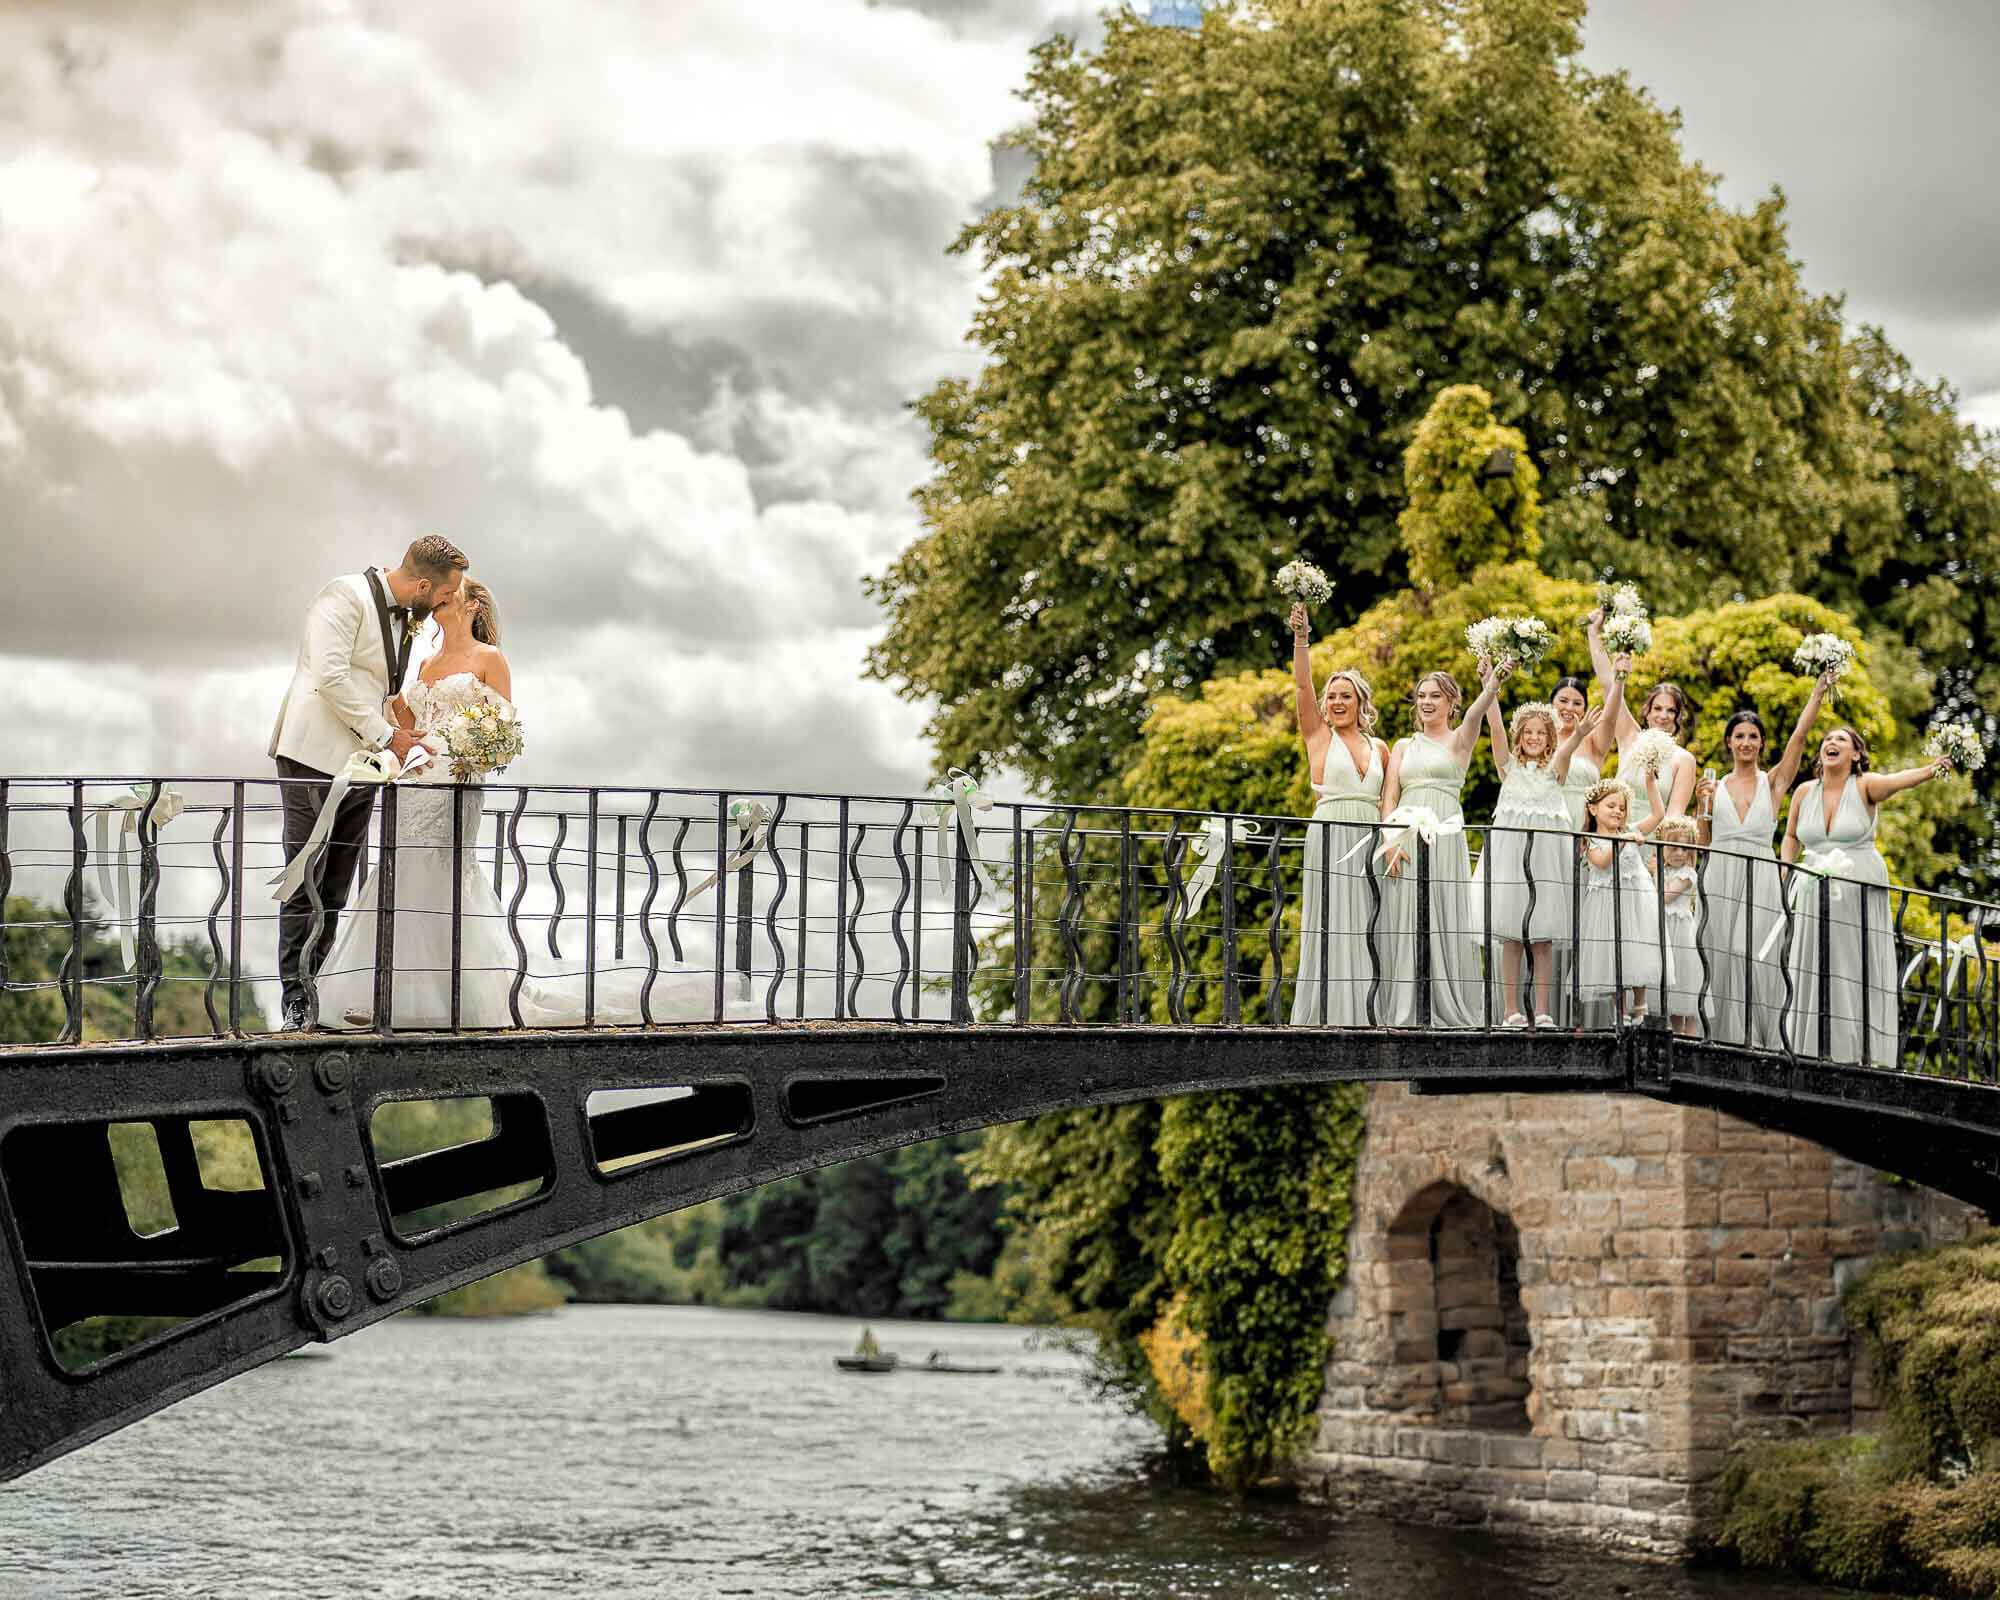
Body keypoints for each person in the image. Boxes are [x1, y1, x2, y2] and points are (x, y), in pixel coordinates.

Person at [313, 580, 733, 1029]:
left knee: (442, 872)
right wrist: (384, 705)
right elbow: (410, 724)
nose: (438, 600)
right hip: (414, 782)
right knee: (401, 872)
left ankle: (457, 994)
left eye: (448, 595)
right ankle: (388, 994)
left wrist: (471, 748)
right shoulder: (426, 661)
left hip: (457, 781)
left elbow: (502, 730)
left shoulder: (489, 659)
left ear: (472, 604)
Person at [269, 535, 467, 1030]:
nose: (444, 604)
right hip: (312, 758)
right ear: (423, 584)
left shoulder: (408, 617)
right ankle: (295, 1002)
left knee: (335, 885)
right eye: (443, 595)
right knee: (305, 878)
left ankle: (319, 997)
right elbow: (331, 676)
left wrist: (407, 742)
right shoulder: (342, 595)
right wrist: (389, 737)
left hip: (364, 766)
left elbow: (380, 690)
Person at [1780, 727, 1945, 1066]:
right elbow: (1791, 836)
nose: (1831, 742)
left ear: (1856, 754)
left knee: (1852, 966)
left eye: (1841, 740)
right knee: (1814, 964)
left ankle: (1857, 1053)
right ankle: (1809, 1048)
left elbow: (1902, 779)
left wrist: (1934, 768)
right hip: (1813, 890)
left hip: (1858, 891)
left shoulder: (1865, 785)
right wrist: (1784, 871)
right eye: (1827, 739)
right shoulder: (1803, 792)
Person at [1692, 674, 1837, 1048]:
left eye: (1753, 736)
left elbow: (1799, 740)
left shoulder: (1772, 783)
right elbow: (1703, 842)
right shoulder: (1714, 786)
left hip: (1759, 873)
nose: (1745, 742)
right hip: (1720, 872)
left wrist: (1817, 694)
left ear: (1761, 743)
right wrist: (1700, 806)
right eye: (1739, 736)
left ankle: (1760, 1039)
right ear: (1728, 742)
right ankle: (1721, 1037)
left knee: (1754, 953)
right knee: (1718, 954)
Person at [1374, 659, 1508, 1028]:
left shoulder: (1460, 738)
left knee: (1444, 911)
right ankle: (1405, 1004)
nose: (1427, 702)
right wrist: (1390, 838)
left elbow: (1480, 709)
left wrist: (1493, 681)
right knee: (1405, 915)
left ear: (1452, 703)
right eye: (1421, 696)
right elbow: (1389, 796)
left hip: (1445, 834)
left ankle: (1447, 1002)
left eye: (1436, 696)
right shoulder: (1403, 745)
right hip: (1404, 835)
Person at [1287, 602, 1390, 1025]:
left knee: (1371, 919)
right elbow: (1301, 687)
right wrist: (1301, 639)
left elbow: (1389, 804)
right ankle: (1329, 1010)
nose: (1336, 701)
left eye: (1345, 695)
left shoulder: (1381, 747)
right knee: (1333, 917)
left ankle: (1370, 1009)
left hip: (1371, 838)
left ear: (1360, 701)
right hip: (1330, 834)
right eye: (1332, 696)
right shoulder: (1317, 736)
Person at [1477, 697, 1602, 1026]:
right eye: (1527, 732)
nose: (1533, 738)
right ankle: (1510, 1010)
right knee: (1512, 936)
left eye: (1541, 733)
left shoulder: (1555, 770)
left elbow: (1568, 748)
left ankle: (1543, 1009)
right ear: (1519, 737)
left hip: (1545, 863)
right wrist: (1490, 686)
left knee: (1542, 936)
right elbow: (1494, 727)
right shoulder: (1508, 768)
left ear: (1550, 737)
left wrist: (1581, 731)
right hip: (1511, 862)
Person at [1575, 776, 1666, 1024]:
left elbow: (1659, 814)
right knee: (1614, 952)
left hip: (1636, 903)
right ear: (1593, 809)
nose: (1618, 811)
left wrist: (1648, 780)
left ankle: (1641, 1004)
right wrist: (1622, 843)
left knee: (1638, 947)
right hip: (1607, 905)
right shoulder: (1591, 840)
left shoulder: (1631, 830)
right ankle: (1620, 1010)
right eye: (1611, 805)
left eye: (1622, 808)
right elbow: (1602, 861)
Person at [1587, 617, 1699, 816]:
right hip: (1614, 831)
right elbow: (1607, 682)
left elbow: (1674, 814)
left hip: (1651, 840)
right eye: (1657, 708)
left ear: (1678, 717)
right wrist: (1593, 632)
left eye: (1671, 710)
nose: (1663, 716)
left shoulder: (1684, 759)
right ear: (1647, 712)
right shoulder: (1630, 736)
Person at [1655, 816, 1703, 1037]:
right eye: (1673, 847)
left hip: (1681, 934)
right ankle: (1673, 1038)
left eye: (1685, 848)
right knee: (1670, 993)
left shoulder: (1688, 874)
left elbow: (1664, 896)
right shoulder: (1662, 871)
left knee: (1685, 988)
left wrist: (1654, 871)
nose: (1679, 854)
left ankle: (1690, 1041)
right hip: (1663, 932)